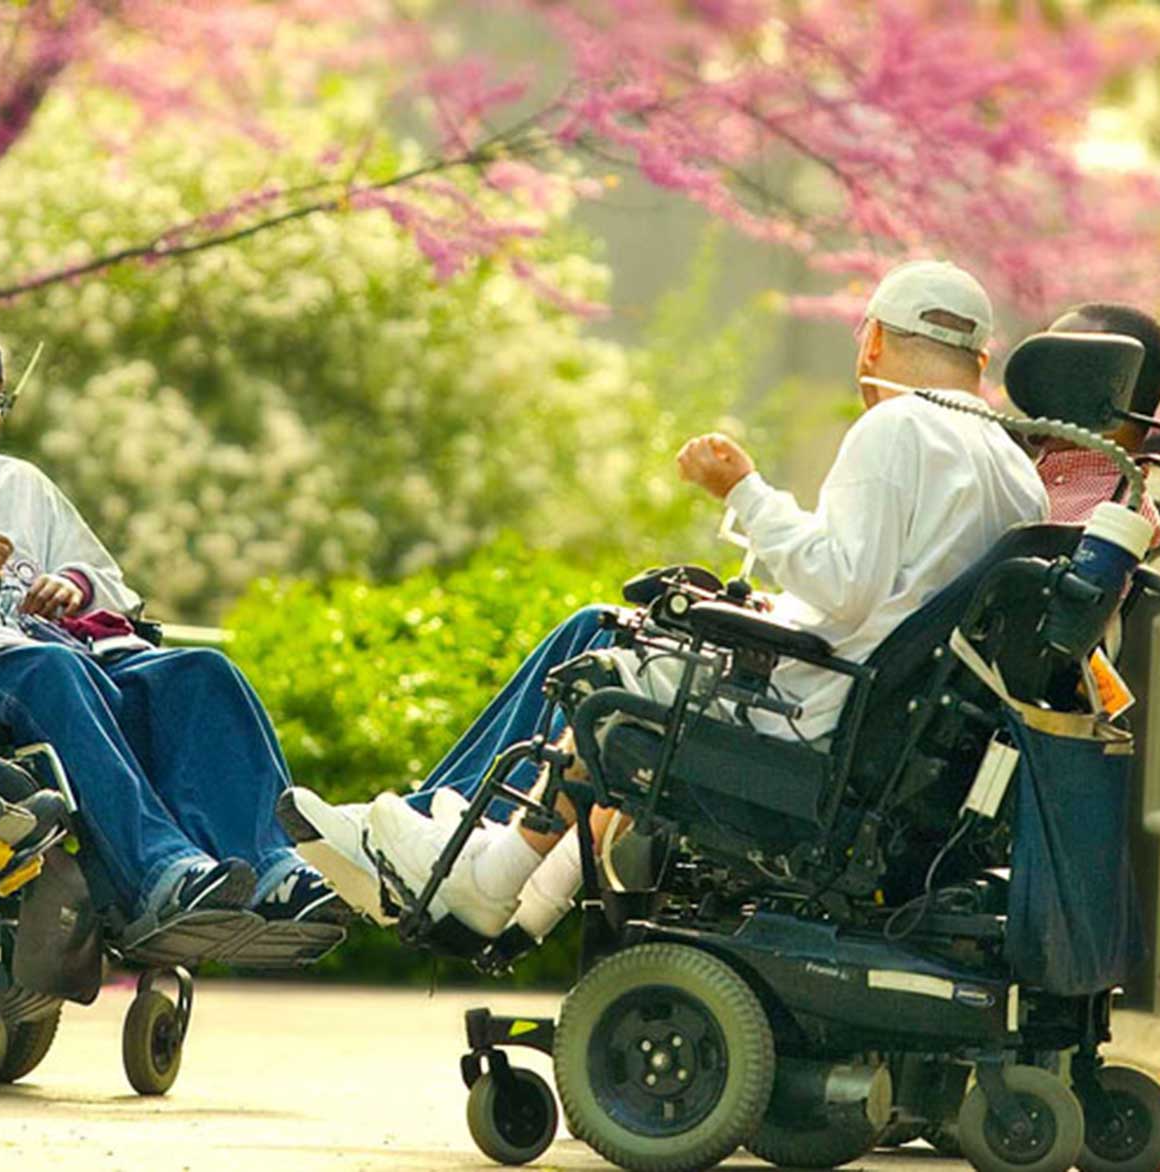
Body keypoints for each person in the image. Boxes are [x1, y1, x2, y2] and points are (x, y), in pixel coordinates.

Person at [280, 259, 1050, 943]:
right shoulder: (1017, 474)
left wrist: (743, 491)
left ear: (873, 339)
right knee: (635, 657)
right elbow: (894, 599)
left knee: (608, 674)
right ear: (981, 359)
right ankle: (514, 889)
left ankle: (485, 879)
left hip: (817, 717)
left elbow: (844, 587)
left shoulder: (897, 427)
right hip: (888, 727)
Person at [0, 326, 339, 931]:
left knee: (201, 673)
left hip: (59, 654)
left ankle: (272, 869)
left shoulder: (23, 485)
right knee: (51, 669)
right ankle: (163, 871)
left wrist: (74, 585)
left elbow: (111, 583)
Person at [1025, 301, 1160, 543]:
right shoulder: (1023, 474)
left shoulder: (1116, 517)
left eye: (1064, 368)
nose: (1041, 382)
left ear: (1118, 389)